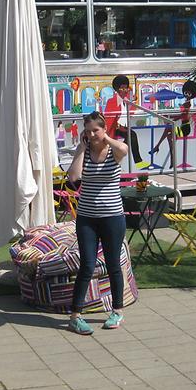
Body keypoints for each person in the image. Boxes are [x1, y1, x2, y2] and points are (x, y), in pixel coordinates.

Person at [65, 111, 129, 335]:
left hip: (112, 217)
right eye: (88, 131)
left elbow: (125, 150)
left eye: (96, 130)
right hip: (87, 218)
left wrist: (106, 138)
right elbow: (73, 176)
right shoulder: (85, 150)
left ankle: (117, 310)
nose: (92, 134)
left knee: (113, 265)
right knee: (87, 265)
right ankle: (75, 315)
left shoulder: (114, 151)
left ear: (104, 129)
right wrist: (82, 148)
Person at [103, 74, 148, 169]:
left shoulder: (126, 100)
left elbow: (130, 112)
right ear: (117, 89)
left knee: (130, 135)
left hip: (121, 127)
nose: (125, 90)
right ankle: (138, 161)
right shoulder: (112, 101)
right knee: (132, 134)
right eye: (122, 88)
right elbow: (109, 119)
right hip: (114, 128)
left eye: (126, 88)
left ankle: (121, 154)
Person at [150, 80, 196, 156]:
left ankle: (157, 146)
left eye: (189, 93)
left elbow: (182, 116)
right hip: (184, 126)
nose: (187, 95)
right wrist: (170, 118)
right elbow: (181, 115)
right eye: (186, 93)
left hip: (185, 129)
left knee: (168, 129)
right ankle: (172, 159)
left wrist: (172, 119)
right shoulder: (186, 103)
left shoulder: (187, 104)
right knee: (169, 136)